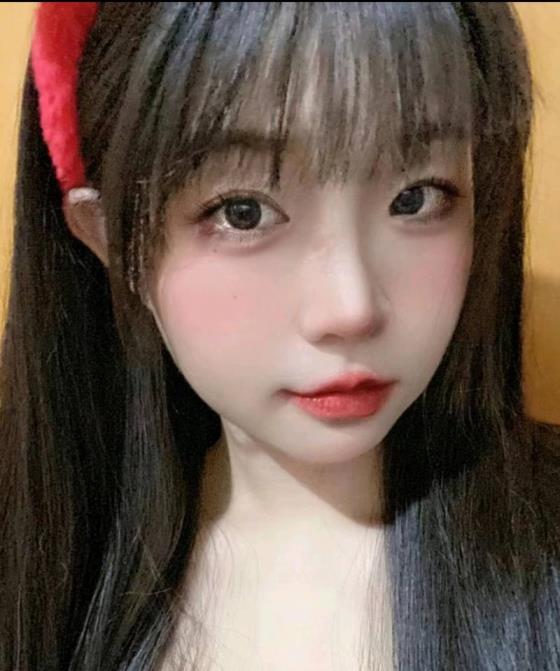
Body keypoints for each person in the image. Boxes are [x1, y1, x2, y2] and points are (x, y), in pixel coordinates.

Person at [1, 2, 559, 669]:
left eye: (416, 197)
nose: (350, 308)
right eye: (244, 212)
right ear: (113, 241)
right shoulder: (39, 581)